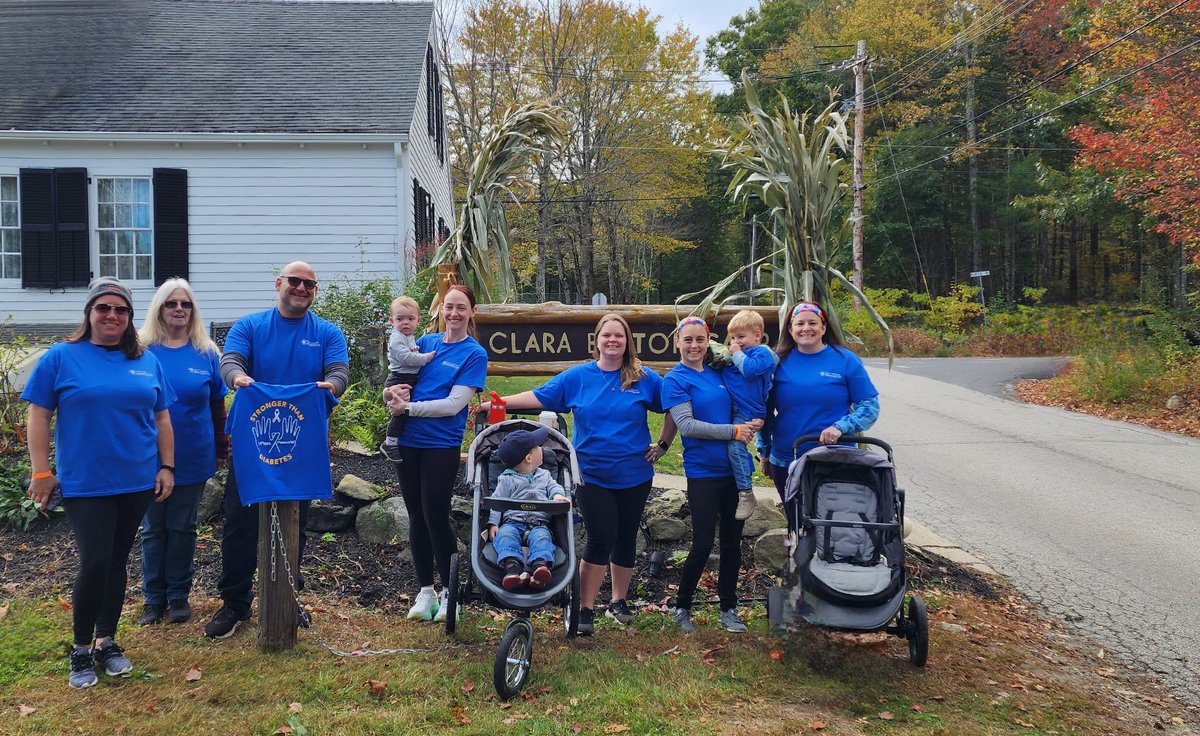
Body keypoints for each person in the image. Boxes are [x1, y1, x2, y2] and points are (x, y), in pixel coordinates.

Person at [21, 277, 176, 688]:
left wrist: (167, 467)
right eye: (103, 308)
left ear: (129, 317)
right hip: (86, 483)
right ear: (89, 313)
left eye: (120, 309)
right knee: (94, 562)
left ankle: (108, 641)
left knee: (117, 560)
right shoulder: (62, 357)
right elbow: (38, 415)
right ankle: (80, 649)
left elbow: (161, 418)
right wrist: (41, 472)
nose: (112, 315)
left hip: (137, 480)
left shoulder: (146, 360)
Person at [480, 313, 672, 636]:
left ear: (628, 342)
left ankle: (618, 601)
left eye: (619, 336)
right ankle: (585, 608)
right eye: (607, 335)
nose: (613, 341)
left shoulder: (644, 378)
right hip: (592, 474)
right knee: (600, 537)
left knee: (625, 538)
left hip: (635, 474)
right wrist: (497, 403)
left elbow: (675, 404)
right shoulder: (578, 378)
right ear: (596, 340)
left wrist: (664, 444)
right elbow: (540, 396)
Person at [204, 262, 349, 639]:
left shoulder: (328, 333)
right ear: (279, 284)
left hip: (301, 445)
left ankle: (287, 599)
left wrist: (331, 386)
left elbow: (339, 373)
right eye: (294, 281)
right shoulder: (250, 326)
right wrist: (237, 378)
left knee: (294, 524)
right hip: (252, 445)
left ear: (315, 291)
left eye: (309, 284)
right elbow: (230, 360)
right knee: (239, 524)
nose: (301, 288)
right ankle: (235, 604)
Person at [383, 284, 488, 623]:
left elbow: (454, 404)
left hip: (440, 445)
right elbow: (396, 380)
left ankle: (449, 593)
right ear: (440, 310)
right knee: (415, 515)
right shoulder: (423, 343)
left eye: (461, 308)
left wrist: (408, 408)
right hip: (408, 442)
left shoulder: (474, 354)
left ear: (471, 313)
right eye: (448, 307)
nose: (454, 313)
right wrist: (390, 394)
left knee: (436, 515)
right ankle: (426, 590)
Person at [662, 316, 760, 635]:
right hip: (703, 473)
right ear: (677, 342)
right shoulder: (675, 380)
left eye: (699, 340)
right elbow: (688, 426)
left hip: (735, 472)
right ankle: (682, 608)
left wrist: (755, 423)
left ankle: (729, 609)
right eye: (687, 340)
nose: (694, 346)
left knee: (732, 544)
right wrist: (734, 430)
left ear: (708, 342)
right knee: (703, 543)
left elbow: (748, 394)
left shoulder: (720, 372)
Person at [137, 279, 228, 626]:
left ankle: (178, 595)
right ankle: (152, 598)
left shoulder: (206, 353)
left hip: (193, 454)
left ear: (193, 311)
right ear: (159, 308)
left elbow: (217, 407)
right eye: (171, 303)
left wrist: (222, 448)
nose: (179, 309)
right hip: (148, 456)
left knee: (182, 527)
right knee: (152, 529)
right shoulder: (141, 351)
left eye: (185, 304)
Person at [760, 301, 880, 518]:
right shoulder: (776, 362)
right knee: (796, 521)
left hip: (835, 458)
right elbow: (764, 411)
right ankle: (798, 551)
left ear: (824, 327)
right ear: (790, 329)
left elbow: (870, 405)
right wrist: (765, 452)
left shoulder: (845, 360)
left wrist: (841, 426)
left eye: (813, 323)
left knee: (832, 521)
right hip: (787, 458)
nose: (807, 328)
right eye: (800, 323)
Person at [487, 427, 570, 590]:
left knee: (542, 538)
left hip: (539, 524)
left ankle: (539, 566)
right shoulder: (506, 479)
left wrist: (557, 496)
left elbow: (554, 488)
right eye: (539, 447)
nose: (543, 450)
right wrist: (493, 523)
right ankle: (512, 567)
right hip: (512, 523)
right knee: (505, 535)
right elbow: (497, 501)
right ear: (529, 457)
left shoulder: (545, 475)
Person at [721, 309, 779, 521]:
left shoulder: (761, 353)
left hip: (749, 412)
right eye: (733, 338)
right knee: (728, 445)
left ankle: (746, 492)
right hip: (732, 408)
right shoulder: (735, 356)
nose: (736, 342)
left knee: (734, 446)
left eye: (741, 337)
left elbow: (751, 370)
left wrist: (736, 353)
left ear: (757, 335)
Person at [379, 296, 435, 463]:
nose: (405, 322)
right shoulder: (397, 338)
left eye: (410, 319)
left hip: (407, 378)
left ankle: (393, 441)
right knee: (400, 413)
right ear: (391, 321)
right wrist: (425, 358)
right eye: (400, 319)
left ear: (418, 320)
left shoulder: (408, 336)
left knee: (404, 411)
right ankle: (389, 443)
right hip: (399, 379)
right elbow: (406, 358)